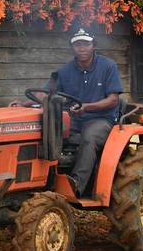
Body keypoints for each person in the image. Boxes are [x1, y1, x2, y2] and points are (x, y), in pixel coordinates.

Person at [13, 24, 123, 198]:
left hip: (101, 118)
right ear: (72, 47)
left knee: (89, 138)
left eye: (86, 44)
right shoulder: (64, 71)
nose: (82, 48)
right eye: (78, 44)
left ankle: (76, 185)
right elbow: (45, 94)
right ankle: (40, 182)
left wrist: (87, 107)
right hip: (73, 118)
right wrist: (24, 104)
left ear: (93, 45)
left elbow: (113, 100)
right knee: (47, 132)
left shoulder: (107, 66)